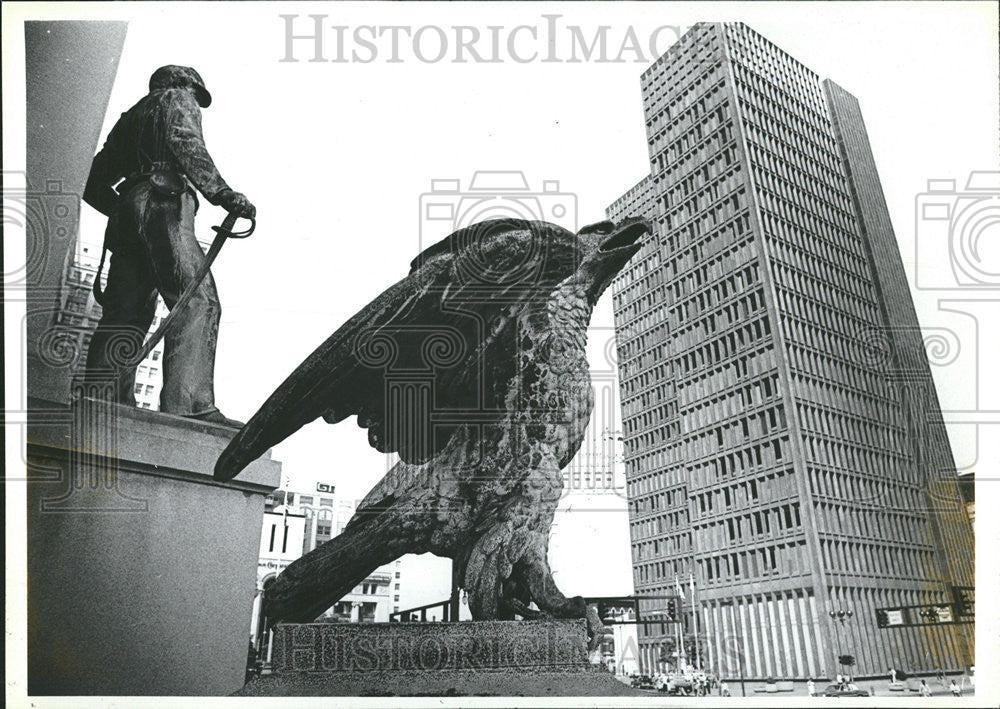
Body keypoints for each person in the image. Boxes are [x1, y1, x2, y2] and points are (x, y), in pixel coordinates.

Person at [80, 65, 255, 425]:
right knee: (198, 300)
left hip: (129, 208)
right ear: (184, 84)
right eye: (196, 94)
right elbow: (186, 142)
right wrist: (221, 193)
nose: (195, 102)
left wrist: (125, 209)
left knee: (125, 312)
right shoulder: (177, 97)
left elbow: (93, 179)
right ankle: (189, 406)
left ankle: (103, 401)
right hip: (165, 201)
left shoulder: (132, 116)